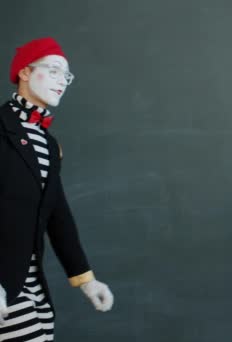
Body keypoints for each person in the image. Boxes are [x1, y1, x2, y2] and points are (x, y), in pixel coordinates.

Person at [0, 37, 114, 341]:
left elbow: (57, 215)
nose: (61, 81)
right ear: (24, 72)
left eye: (65, 75)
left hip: (31, 279)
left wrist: (86, 279)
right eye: (52, 70)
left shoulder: (49, 145)